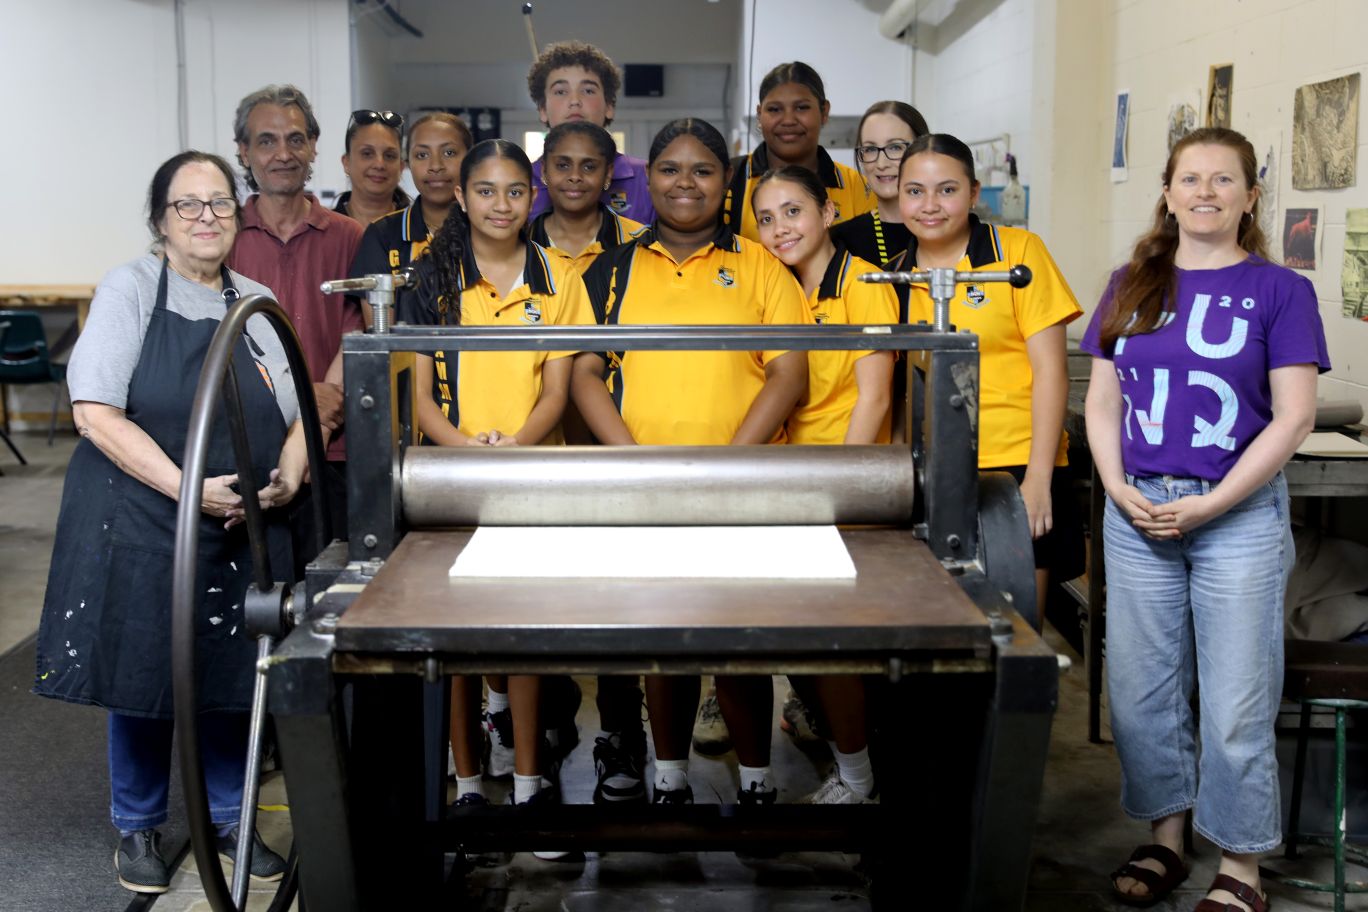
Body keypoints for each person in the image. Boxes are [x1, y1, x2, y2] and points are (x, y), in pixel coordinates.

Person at [32, 151, 304, 894]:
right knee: (145, 672)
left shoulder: (252, 297)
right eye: (188, 206)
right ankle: (139, 825)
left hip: (238, 521)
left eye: (219, 203)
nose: (206, 219)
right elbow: (94, 412)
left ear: (238, 215)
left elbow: (299, 405)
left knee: (228, 668)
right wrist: (190, 492)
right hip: (147, 513)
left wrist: (293, 464)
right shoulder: (130, 288)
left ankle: (226, 818)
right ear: (161, 220)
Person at [1082, 127, 1327, 912]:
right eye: (1191, 179)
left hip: (1237, 514)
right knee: (1141, 690)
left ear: (1251, 197)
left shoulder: (1281, 291)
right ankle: (1166, 838)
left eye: (1225, 181)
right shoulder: (1131, 281)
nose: (1206, 193)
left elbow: (1292, 419)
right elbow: (1102, 397)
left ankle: (1242, 865)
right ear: (1167, 191)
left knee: (1236, 696)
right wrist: (1118, 488)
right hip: (1139, 508)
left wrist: (1215, 503)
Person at [573, 118, 810, 806]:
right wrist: (635, 465)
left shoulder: (762, 266)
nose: (686, 183)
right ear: (649, 179)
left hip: (744, 489)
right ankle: (670, 779)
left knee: (742, 645)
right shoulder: (611, 270)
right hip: (644, 490)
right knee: (665, 640)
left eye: (703, 170)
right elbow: (587, 373)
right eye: (671, 169)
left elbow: (788, 375)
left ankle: (758, 784)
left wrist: (731, 468)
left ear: (726, 181)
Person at [399, 140, 594, 828]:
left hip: (533, 472)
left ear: (532, 196)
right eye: (486, 191)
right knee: (451, 638)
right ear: (461, 194)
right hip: (449, 477)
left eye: (516, 191)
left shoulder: (556, 277)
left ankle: (530, 785)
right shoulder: (431, 278)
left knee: (522, 630)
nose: (501, 205)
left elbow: (558, 388)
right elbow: (420, 398)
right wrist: (465, 452)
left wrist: (514, 448)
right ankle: (470, 776)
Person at [888, 133, 1085, 614]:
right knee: (938, 624)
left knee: (1014, 628)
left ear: (974, 193)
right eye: (915, 191)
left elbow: (1050, 371)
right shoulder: (893, 275)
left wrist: (1037, 480)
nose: (930, 205)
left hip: (1017, 465)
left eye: (947, 190)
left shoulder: (1018, 253)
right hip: (931, 471)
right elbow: (896, 390)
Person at [752, 164, 896, 805]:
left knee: (836, 641)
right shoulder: (776, 287)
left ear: (828, 212)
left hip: (844, 482)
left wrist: (842, 494)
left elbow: (875, 395)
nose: (779, 228)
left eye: (792, 211)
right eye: (765, 218)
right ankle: (848, 759)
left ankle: (861, 779)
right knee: (795, 636)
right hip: (791, 479)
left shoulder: (863, 283)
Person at [228, 84, 364, 546]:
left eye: (295, 139)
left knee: (329, 592)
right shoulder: (222, 239)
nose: (282, 153)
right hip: (245, 446)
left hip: (336, 451)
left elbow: (359, 330)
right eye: (266, 141)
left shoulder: (351, 238)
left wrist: (322, 409)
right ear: (244, 153)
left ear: (313, 147)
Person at [722, 61, 873, 243]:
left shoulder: (859, 188)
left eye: (801, 107)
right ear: (759, 114)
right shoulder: (730, 179)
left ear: (824, 111)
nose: (788, 120)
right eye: (774, 109)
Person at [526, 40, 654, 224]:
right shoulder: (521, 180)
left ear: (609, 106)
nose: (575, 101)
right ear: (542, 110)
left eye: (588, 90)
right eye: (561, 92)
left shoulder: (647, 178)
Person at [348, 112, 473, 290]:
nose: (436, 166)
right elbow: (379, 316)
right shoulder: (382, 235)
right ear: (407, 164)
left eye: (449, 152)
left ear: (470, 160)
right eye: (422, 155)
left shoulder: (490, 230)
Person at [528, 121, 645, 275]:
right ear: (544, 171)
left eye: (589, 167)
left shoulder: (640, 241)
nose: (575, 176)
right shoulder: (520, 241)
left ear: (608, 174)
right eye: (563, 165)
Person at [831, 101, 929, 267]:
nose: (881, 163)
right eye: (870, 149)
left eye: (896, 147)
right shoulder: (837, 242)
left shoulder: (950, 233)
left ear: (924, 150)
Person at [334, 109, 411, 226]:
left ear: (401, 167)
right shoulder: (324, 232)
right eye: (367, 153)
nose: (379, 164)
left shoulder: (420, 229)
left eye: (389, 156)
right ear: (346, 163)